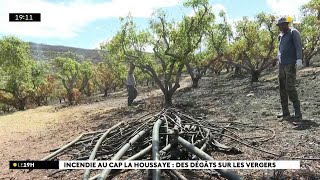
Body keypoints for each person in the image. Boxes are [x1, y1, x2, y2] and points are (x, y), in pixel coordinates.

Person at [276, 17, 303, 121]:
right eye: (279, 25)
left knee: (289, 87)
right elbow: (280, 49)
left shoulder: (293, 32)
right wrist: (277, 58)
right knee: (282, 88)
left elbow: (298, 46)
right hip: (281, 65)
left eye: (282, 25)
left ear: (287, 24)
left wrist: (299, 59)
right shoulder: (280, 36)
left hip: (290, 64)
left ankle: (297, 112)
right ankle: (285, 112)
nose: (280, 27)